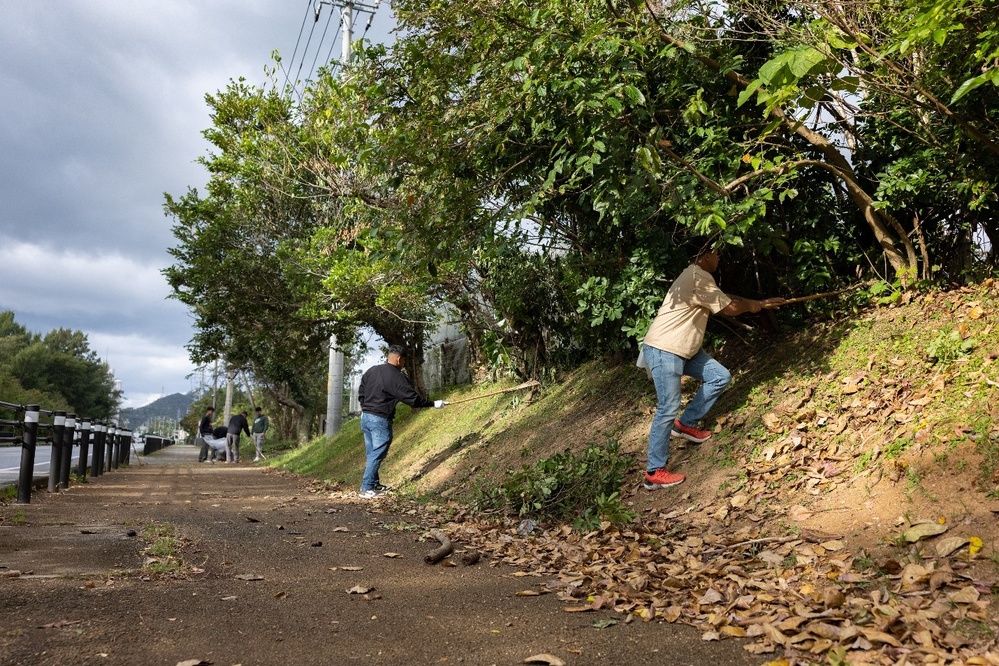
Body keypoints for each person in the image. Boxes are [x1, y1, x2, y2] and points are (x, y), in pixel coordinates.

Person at [640, 244, 785, 491]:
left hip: (684, 348)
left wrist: (759, 303)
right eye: (717, 254)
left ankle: (685, 424)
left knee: (719, 376)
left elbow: (724, 299)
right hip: (666, 350)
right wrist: (753, 306)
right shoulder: (699, 276)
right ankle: (654, 471)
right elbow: (728, 308)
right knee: (667, 407)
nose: (719, 259)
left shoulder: (695, 276)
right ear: (706, 255)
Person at [357, 345, 446, 498]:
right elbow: (412, 399)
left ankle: (374, 484)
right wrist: (433, 404)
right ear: (399, 359)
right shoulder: (396, 376)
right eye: (404, 361)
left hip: (365, 417)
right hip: (380, 418)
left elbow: (361, 392)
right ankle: (366, 488)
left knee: (372, 452)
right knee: (378, 452)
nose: (404, 364)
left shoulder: (372, 370)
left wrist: (365, 407)